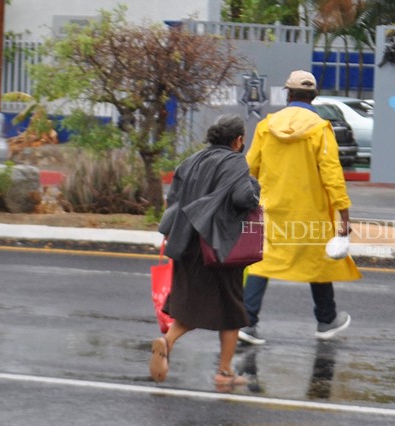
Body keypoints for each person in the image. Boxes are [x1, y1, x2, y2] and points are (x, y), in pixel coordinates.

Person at [239, 70, 362, 345]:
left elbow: (250, 168)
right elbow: (332, 174)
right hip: (311, 212)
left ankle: (247, 322)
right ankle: (326, 320)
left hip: (271, 208)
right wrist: (343, 214)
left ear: (288, 94)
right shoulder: (320, 128)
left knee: (264, 260)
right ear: (314, 96)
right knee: (318, 261)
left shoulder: (266, 126)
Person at [149, 114, 260, 387]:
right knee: (232, 308)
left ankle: (167, 341)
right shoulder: (235, 161)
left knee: (195, 304)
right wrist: (254, 186)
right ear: (237, 140)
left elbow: (173, 200)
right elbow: (242, 197)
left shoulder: (191, 160)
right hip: (218, 245)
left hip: (187, 242)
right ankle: (224, 373)